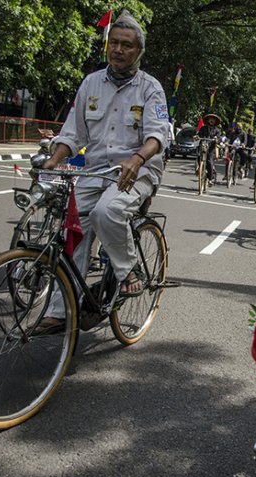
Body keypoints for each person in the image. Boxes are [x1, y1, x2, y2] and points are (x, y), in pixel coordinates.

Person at [39, 10, 168, 330]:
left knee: (106, 212)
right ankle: (59, 311)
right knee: (72, 232)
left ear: (138, 52)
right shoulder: (91, 83)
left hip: (138, 171)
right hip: (95, 170)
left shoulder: (150, 88)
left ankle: (129, 271)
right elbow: (73, 133)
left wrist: (137, 159)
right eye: (114, 43)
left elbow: (157, 135)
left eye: (127, 45)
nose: (119, 50)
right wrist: (54, 159)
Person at [197, 113, 222, 184]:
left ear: (215, 121)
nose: (211, 120)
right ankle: (200, 168)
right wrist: (196, 137)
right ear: (208, 120)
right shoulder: (203, 128)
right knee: (199, 157)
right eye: (210, 119)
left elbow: (219, 138)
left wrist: (216, 139)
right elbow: (198, 135)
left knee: (210, 161)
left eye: (213, 119)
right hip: (203, 146)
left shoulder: (217, 130)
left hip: (211, 148)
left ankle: (210, 178)